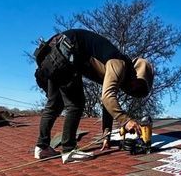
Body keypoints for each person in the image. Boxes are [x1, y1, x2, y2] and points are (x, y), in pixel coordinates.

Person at [33, 28, 154, 163]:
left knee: (55, 104)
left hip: (54, 52)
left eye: (136, 90)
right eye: (137, 85)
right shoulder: (119, 64)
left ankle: (42, 147)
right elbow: (107, 97)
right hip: (68, 49)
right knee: (76, 104)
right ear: (136, 73)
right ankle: (68, 150)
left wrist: (106, 134)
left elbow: (108, 103)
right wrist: (125, 120)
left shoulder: (116, 70)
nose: (133, 89)